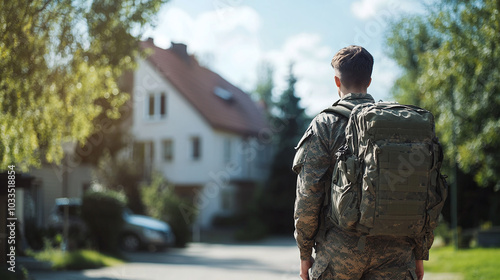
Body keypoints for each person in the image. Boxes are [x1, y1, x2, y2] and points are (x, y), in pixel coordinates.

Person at [292, 45, 431, 280]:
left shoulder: (325, 124)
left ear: (337, 81)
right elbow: (423, 192)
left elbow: (308, 194)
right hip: (396, 252)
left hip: (340, 250)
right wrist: (419, 251)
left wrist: (305, 252)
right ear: (369, 79)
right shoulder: (399, 122)